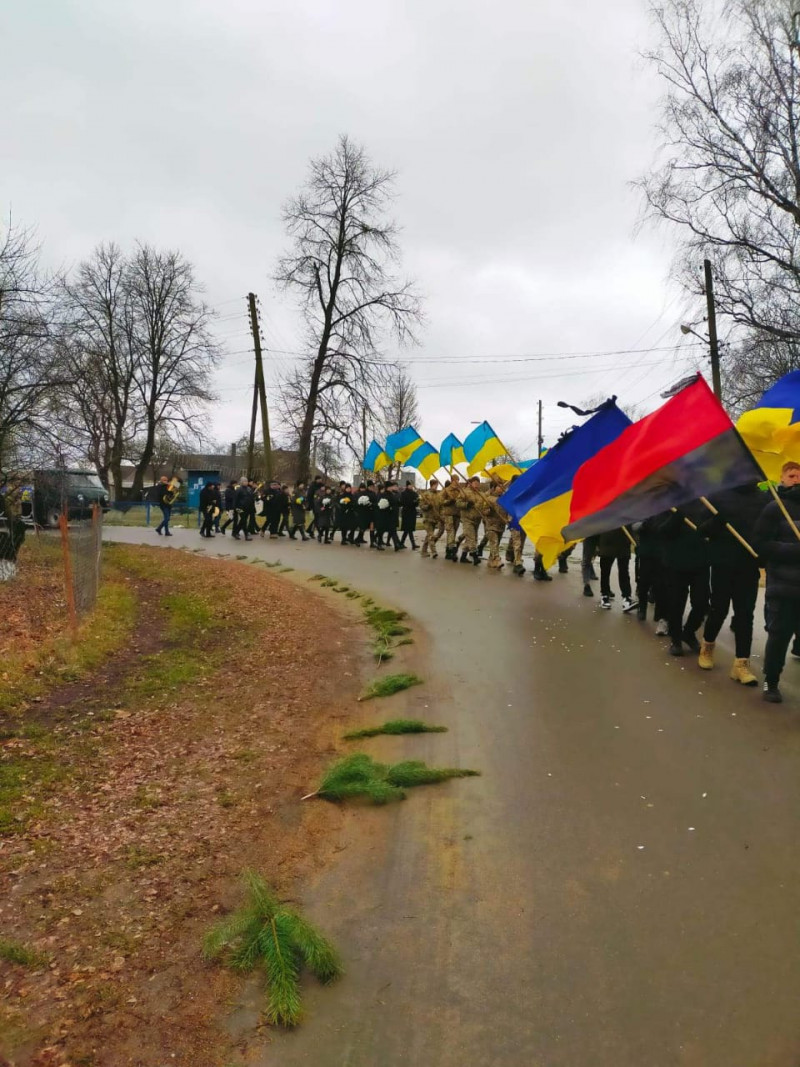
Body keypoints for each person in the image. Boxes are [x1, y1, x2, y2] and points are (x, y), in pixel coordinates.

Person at [697, 483, 764, 686]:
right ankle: (707, 647)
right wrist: (718, 521)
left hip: (749, 566)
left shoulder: (764, 499)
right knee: (719, 609)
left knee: (745, 615)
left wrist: (764, 555)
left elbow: (769, 531)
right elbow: (701, 530)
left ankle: (741, 664)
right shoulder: (717, 496)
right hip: (722, 564)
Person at [754, 462, 800, 702]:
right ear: (782, 478)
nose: (797, 479)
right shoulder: (775, 508)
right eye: (792, 475)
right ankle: (771, 681)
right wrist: (794, 550)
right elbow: (761, 545)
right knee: (779, 636)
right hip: (783, 586)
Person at [653, 507, 710, 657]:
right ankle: (676, 640)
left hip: (700, 561)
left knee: (701, 602)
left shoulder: (704, 501)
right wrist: (678, 515)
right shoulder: (669, 504)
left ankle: (689, 632)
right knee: (676, 603)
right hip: (675, 563)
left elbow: (708, 527)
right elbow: (661, 531)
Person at [596, 527, 637, 612]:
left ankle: (626, 597)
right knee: (605, 571)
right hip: (607, 543)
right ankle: (604, 595)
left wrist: (634, 540)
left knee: (624, 572)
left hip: (623, 544)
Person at [456, 477, 482, 565]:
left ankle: (463, 556)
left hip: (477, 519)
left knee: (469, 539)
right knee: (471, 538)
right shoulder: (464, 492)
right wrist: (466, 504)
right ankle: (475, 557)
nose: (477, 484)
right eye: (475, 482)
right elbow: (458, 503)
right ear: (470, 483)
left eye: (478, 483)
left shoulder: (480, 494)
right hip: (467, 519)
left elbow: (483, 505)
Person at [419, 479, 444, 558]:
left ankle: (423, 550)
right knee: (431, 535)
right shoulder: (425, 494)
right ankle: (434, 552)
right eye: (436, 485)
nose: (437, 486)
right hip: (427, 518)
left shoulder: (438, 495)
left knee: (429, 535)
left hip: (435, 518)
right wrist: (427, 506)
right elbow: (422, 506)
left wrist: (440, 515)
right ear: (432, 485)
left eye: (437, 485)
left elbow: (440, 506)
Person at [438, 476, 462, 561]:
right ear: (452, 481)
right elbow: (440, 501)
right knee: (451, 532)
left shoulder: (460, 491)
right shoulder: (446, 490)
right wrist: (448, 501)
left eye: (458, 480)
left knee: (453, 533)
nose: (457, 482)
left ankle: (448, 551)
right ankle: (452, 551)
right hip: (448, 514)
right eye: (456, 480)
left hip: (457, 514)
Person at [399, 481, 420, 549]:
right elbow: (402, 502)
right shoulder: (403, 493)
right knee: (409, 529)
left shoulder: (414, 493)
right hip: (406, 512)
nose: (411, 486)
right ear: (407, 486)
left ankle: (401, 543)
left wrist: (417, 501)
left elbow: (417, 503)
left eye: (412, 485)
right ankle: (413, 544)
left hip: (412, 512)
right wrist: (411, 502)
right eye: (410, 485)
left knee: (407, 529)